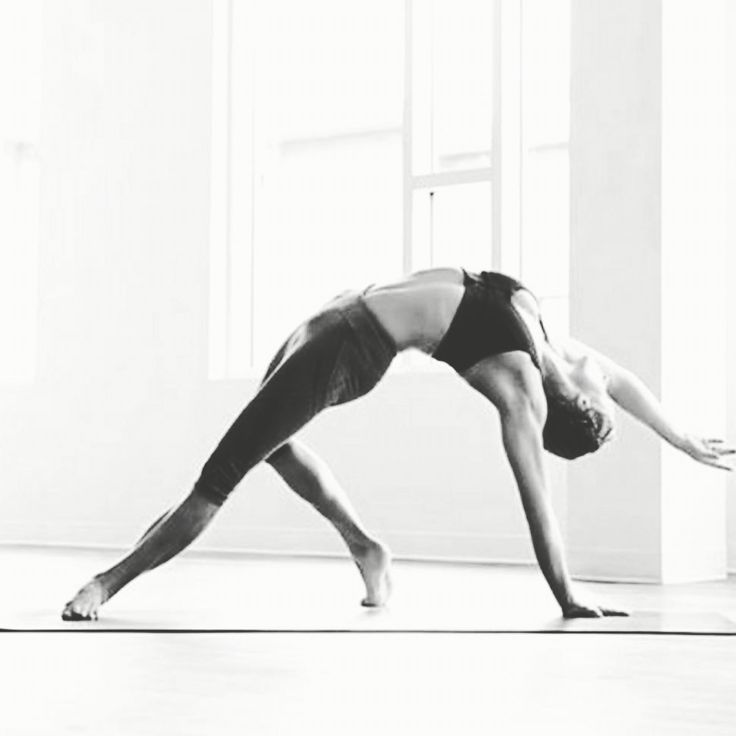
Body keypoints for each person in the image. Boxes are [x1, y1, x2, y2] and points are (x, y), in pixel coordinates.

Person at [61, 267, 733, 621]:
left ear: (567, 415)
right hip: (337, 311)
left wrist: (565, 594)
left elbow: (540, 510)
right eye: (599, 398)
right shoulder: (555, 349)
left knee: (219, 475)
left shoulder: (523, 394)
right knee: (270, 444)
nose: (599, 389)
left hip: (350, 348)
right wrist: (681, 439)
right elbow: (626, 383)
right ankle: (365, 546)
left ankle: (106, 583)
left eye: (596, 408)